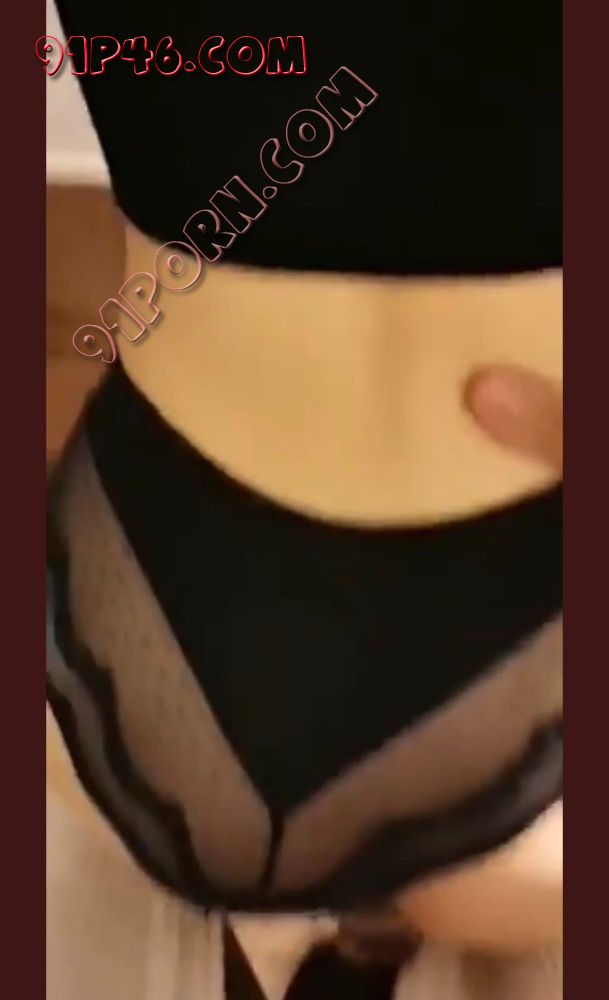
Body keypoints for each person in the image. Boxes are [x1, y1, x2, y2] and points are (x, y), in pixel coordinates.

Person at [46, 4, 562, 998]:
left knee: (475, 891)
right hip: (511, 581)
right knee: (480, 893)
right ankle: (369, 926)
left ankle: (360, 928)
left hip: (160, 555)